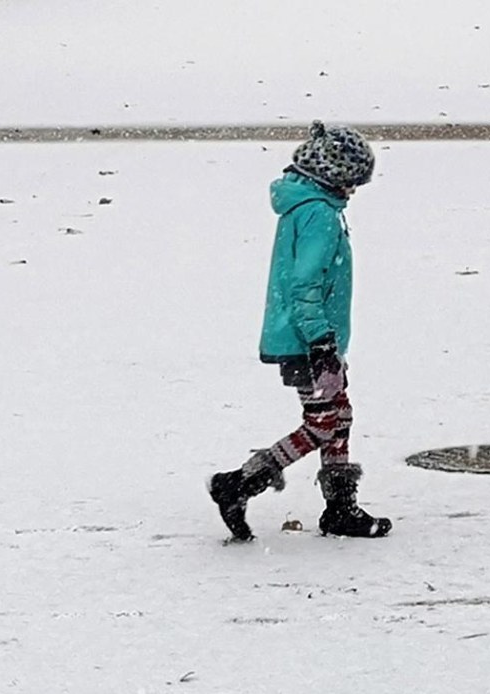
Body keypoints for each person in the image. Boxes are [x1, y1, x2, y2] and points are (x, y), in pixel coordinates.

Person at [207, 120, 392, 543]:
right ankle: (238, 484)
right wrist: (322, 342)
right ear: (333, 173)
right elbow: (305, 285)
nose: (354, 190)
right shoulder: (318, 215)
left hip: (309, 338)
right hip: (308, 342)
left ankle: (341, 509)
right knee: (324, 422)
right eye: (352, 181)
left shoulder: (307, 206)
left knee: (338, 415)